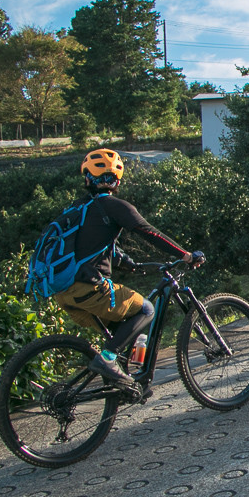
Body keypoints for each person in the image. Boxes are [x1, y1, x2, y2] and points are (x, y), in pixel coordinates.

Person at [54, 148, 204, 395]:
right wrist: (185, 255)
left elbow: (94, 249)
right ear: (116, 180)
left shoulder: (76, 209)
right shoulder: (113, 206)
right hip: (90, 287)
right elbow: (149, 232)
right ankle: (107, 359)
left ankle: (127, 383)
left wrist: (130, 264)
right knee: (146, 309)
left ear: (87, 178)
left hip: (64, 292)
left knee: (126, 328)